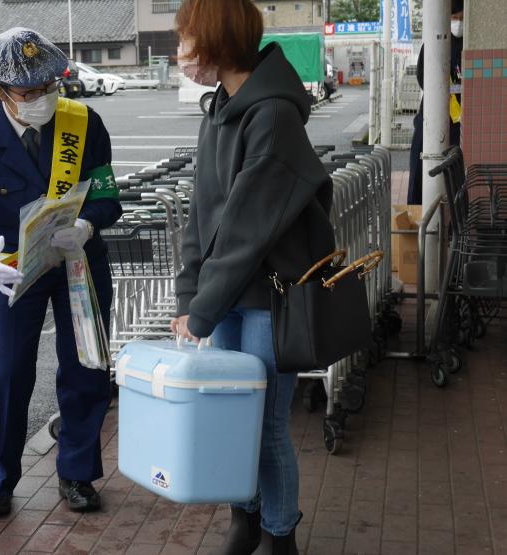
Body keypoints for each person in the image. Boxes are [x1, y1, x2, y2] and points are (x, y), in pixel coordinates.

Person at [170, 1, 335, 553]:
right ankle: (245, 518)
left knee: (264, 426)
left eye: (186, 40)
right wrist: (190, 294)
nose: (181, 54)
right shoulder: (219, 109)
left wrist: (202, 308)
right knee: (232, 419)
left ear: (216, 40)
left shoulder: (273, 115)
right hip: (230, 296)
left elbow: (246, 230)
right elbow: (202, 213)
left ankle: (279, 533)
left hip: (271, 297)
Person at [0, 27, 121, 516]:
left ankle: (78, 474)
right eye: (29, 92)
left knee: (86, 369)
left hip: (80, 263)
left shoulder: (85, 123)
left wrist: (87, 223)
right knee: (8, 375)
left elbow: (107, 196)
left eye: (48, 86)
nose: (42, 98)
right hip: (13, 271)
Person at [407, 0, 464, 204]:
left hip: (459, 122)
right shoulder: (433, 44)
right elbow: (423, 78)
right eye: (454, 18)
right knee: (422, 169)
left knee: (455, 175)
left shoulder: (468, 43)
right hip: (431, 116)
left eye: (461, 18)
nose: (458, 23)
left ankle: (451, 224)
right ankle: (419, 213)